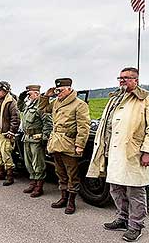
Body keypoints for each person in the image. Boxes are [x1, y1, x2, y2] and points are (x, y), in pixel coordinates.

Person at [87, 67, 149, 242]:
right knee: (115, 188)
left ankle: (136, 226)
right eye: (120, 78)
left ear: (136, 80)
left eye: (127, 78)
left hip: (134, 153)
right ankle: (122, 219)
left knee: (135, 190)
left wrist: (148, 151)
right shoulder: (115, 98)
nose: (122, 81)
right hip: (114, 152)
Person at [39, 78, 90, 214]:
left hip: (69, 144)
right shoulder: (56, 102)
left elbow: (83, 127)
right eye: (57, 90)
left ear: (69, 89)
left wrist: (80, 145)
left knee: (72, 174)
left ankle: (72, 201)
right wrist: (45, 96)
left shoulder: (79, 104)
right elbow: (43, 108)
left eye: (60, 90)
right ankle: (63, 198)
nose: (58, 93)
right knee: (60, 172)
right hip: (56, 143)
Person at [17, 85, 53, 197]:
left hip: (36, 138)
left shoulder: (41, 106)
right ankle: (33, 182)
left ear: (37, 94)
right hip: (27, 137)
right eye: (27, 94)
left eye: (30, 94)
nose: (28, 96)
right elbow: (21, 108)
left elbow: (48, 123)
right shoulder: (29, 105)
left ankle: (39, 186)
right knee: (28, 162)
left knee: (38, 163)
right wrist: (21, 98)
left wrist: (44, 138)